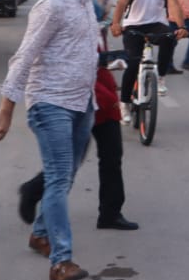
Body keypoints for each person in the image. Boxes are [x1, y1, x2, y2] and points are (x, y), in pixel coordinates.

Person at [0, 0, 104, 280]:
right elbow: (24, 57)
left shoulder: (85, 3)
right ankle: (61, 262)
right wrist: (6, 108)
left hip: (82, 103)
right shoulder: (52, 4)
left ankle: (40, 234)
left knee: (66, 176)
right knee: (57, 177)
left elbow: (80, 51)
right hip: (50, 103)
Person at [18, 47, 139, 232]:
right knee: (67, 166)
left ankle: (110, 213)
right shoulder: (65, 30)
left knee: (112, 156)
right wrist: (7, 106)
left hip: (102, 97)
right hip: (77, 99)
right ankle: (36, 198)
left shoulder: (94, 31)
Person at [112, 0, 187, 112]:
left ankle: (160, 77)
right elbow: (122, 2)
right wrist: (116, 23)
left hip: (156, 24)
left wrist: (181, 26)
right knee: (133, 63)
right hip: (133, 25)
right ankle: (124, 103)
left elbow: (173, 3)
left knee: (170, 37)